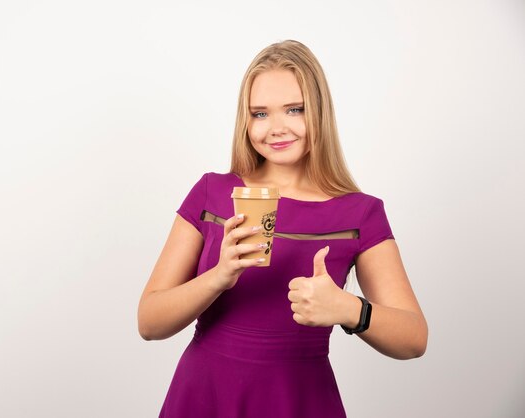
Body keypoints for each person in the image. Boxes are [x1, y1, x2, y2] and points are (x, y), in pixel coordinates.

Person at [138, 39, 428, 418]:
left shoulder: (361, 213)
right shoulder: (212, 192)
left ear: (319, 112)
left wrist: (348, 308)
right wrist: (217, 278)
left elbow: (414, 338)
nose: (275, 128)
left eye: (295, 109)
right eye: (259, 114)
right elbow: (149, 321)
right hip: (203, 396)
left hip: (299, 401)